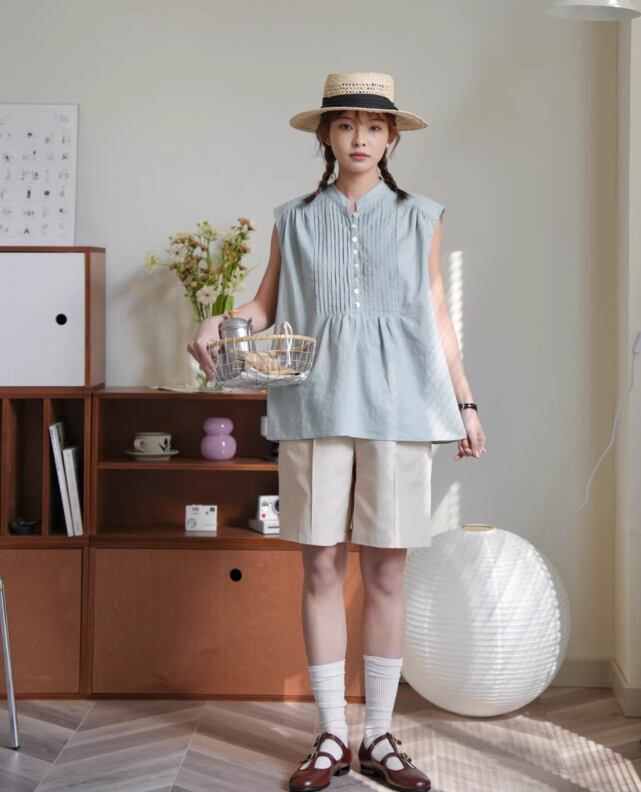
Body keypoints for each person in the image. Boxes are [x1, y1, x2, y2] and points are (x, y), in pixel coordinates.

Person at [188, 70, 487, 792]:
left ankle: (379, 735)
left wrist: (466, 403)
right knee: (320, 566)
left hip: (401, 408)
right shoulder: (292, 218)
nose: (360, 138)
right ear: (325, 135)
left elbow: (437, 315)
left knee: (386, 571)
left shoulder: (421, 216)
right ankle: (329, 734)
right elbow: (263, 306)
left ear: (391, 138)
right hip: (313, 405)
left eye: (374, 126)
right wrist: (218, 320)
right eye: (347, 124)